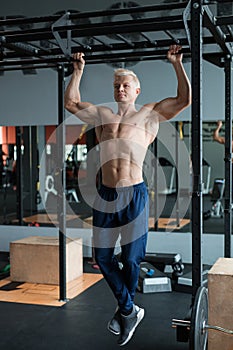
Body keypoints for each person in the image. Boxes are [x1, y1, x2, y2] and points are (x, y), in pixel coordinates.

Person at [64, 45, 191, 346]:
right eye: (116, 85)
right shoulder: (102, 115)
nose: (120, 89)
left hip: (134, 194)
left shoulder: (150, 114)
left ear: (136, 90)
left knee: (132, 260)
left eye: (125, 85)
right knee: (102, 257)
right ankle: (129, 309)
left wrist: (176, 65)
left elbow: (185, 99)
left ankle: (127, 309)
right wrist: (78, 71)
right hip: (106, 195)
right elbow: (71, 102)